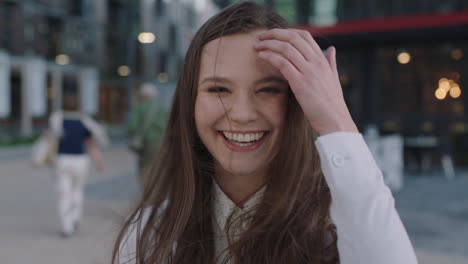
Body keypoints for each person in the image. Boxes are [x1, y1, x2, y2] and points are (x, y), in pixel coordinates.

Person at [113, 2, 418, 263]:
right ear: (189, 101)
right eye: (219, 89)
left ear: (298, 102)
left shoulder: (340, 227)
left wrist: (335, 120)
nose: (242, 114)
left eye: (269, 90)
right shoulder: (149, 233)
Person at [49, 94, 108, 237]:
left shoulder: (58, 119)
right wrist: (99, 160)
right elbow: (90, 142)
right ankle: (75, 218)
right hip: (80, 161)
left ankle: (66, 226)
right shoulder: (84, 120)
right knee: (77, 190)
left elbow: (53, 137)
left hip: (63, 160)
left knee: (64, 193)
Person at [128, 82, 167, 187]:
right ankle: (156, 192)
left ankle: (147, 193)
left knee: (145, 167)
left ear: (142, 95)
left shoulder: (139, 108)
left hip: (146, 142)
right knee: (158, 167)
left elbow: (132, 126)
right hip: (161, 142)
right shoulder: (161, 108)